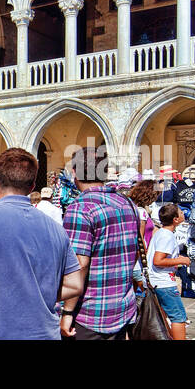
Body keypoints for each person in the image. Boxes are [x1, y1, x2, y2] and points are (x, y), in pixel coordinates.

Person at [0, 148, 84, 340]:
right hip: (46, 334)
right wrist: (36, 293)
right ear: (32, 185)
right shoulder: (56, 229)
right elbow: (75, 284)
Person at [61, 145, 139, 340]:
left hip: (90, 314)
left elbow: (79, 265)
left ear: (74, 173)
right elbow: (134, 252)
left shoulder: (80, 208)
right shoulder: (127, 204)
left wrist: (68, 312)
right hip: (123, 309)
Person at [146, 203, 191, 340]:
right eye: (181, 213)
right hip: (164, 282)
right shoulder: (167, 236)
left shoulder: (160, 233)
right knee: (178, 316)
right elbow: (158, 261)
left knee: (163, 315)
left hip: (157, 281)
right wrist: (181, 260)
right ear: (175, 219)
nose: (183, 214)